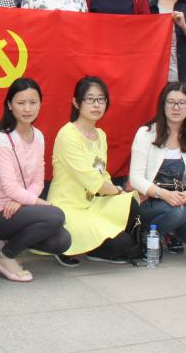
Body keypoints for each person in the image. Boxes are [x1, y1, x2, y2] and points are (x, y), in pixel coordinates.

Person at [0, 78, 71, 280]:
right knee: (55, 215)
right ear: (10, 105)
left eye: (33, 102)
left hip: (19, 206)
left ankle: (7, 248)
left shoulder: (38, 136)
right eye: (21, 103)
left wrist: (22, 201)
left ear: (40, 104)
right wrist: (39, 203)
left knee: (62, 240)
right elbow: (10, 188)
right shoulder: (1, 139)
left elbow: (38, 180)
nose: (27, 108)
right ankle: (5, 256)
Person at [47, 77, 139, 265]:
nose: (96, 105)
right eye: (90, 99)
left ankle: (95, 244)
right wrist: (116, 191)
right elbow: (90, 179)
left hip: (92, 204)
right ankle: (68, 244)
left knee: (131, 203)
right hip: (69, 208)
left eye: (101, 99)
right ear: (76, 102)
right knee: (121, 243)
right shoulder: (67, 134)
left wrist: (118, 195)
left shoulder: (100, 135)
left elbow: (102, 174)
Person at [129, 82, 186, 255]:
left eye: (182, 103)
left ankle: (168, 231)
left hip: (180, 202)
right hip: (149, 200)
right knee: (177, 212)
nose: (176, 107)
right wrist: (164, 194)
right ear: (163, 105)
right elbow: (135, 179)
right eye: (171, 102)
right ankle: (147, 234)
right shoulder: (146, 133)